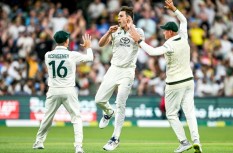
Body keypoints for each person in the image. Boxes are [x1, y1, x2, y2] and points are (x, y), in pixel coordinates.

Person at [129, 0, 202, 153]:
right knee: (190, 113)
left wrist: (139, 40)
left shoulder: (169, 44)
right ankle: (197, 141)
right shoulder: (183, 36)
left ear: (170, 32)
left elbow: (152, 52)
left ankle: (184, 142)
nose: (163, 33)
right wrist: (174, 9)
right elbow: (184, 20)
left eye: (165, 31)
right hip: (189, 81)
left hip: (174, 83)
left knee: (170, 113)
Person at [32, 31, 94, 153]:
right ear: (66, 41)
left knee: (47, 118)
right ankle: (78, 147)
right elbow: (90, 58)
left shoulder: (48, 55)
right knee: (76, 118)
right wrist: (88, 47)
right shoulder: (72, 55)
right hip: (69, 90)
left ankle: (39, 142)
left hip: (53, 90)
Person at [95, 6, 144, 151]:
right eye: (118, 16)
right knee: (98, 100)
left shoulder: (138, 31)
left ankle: (115, 138)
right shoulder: (115, 31)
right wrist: (108, 32)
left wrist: (130, 28)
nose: (118, 18)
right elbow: (101, 44)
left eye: (121, 16)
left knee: (120, 104)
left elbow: (139, 42)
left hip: (128, 71)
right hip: (113, 69)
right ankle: (108, 112)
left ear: (128, 18)